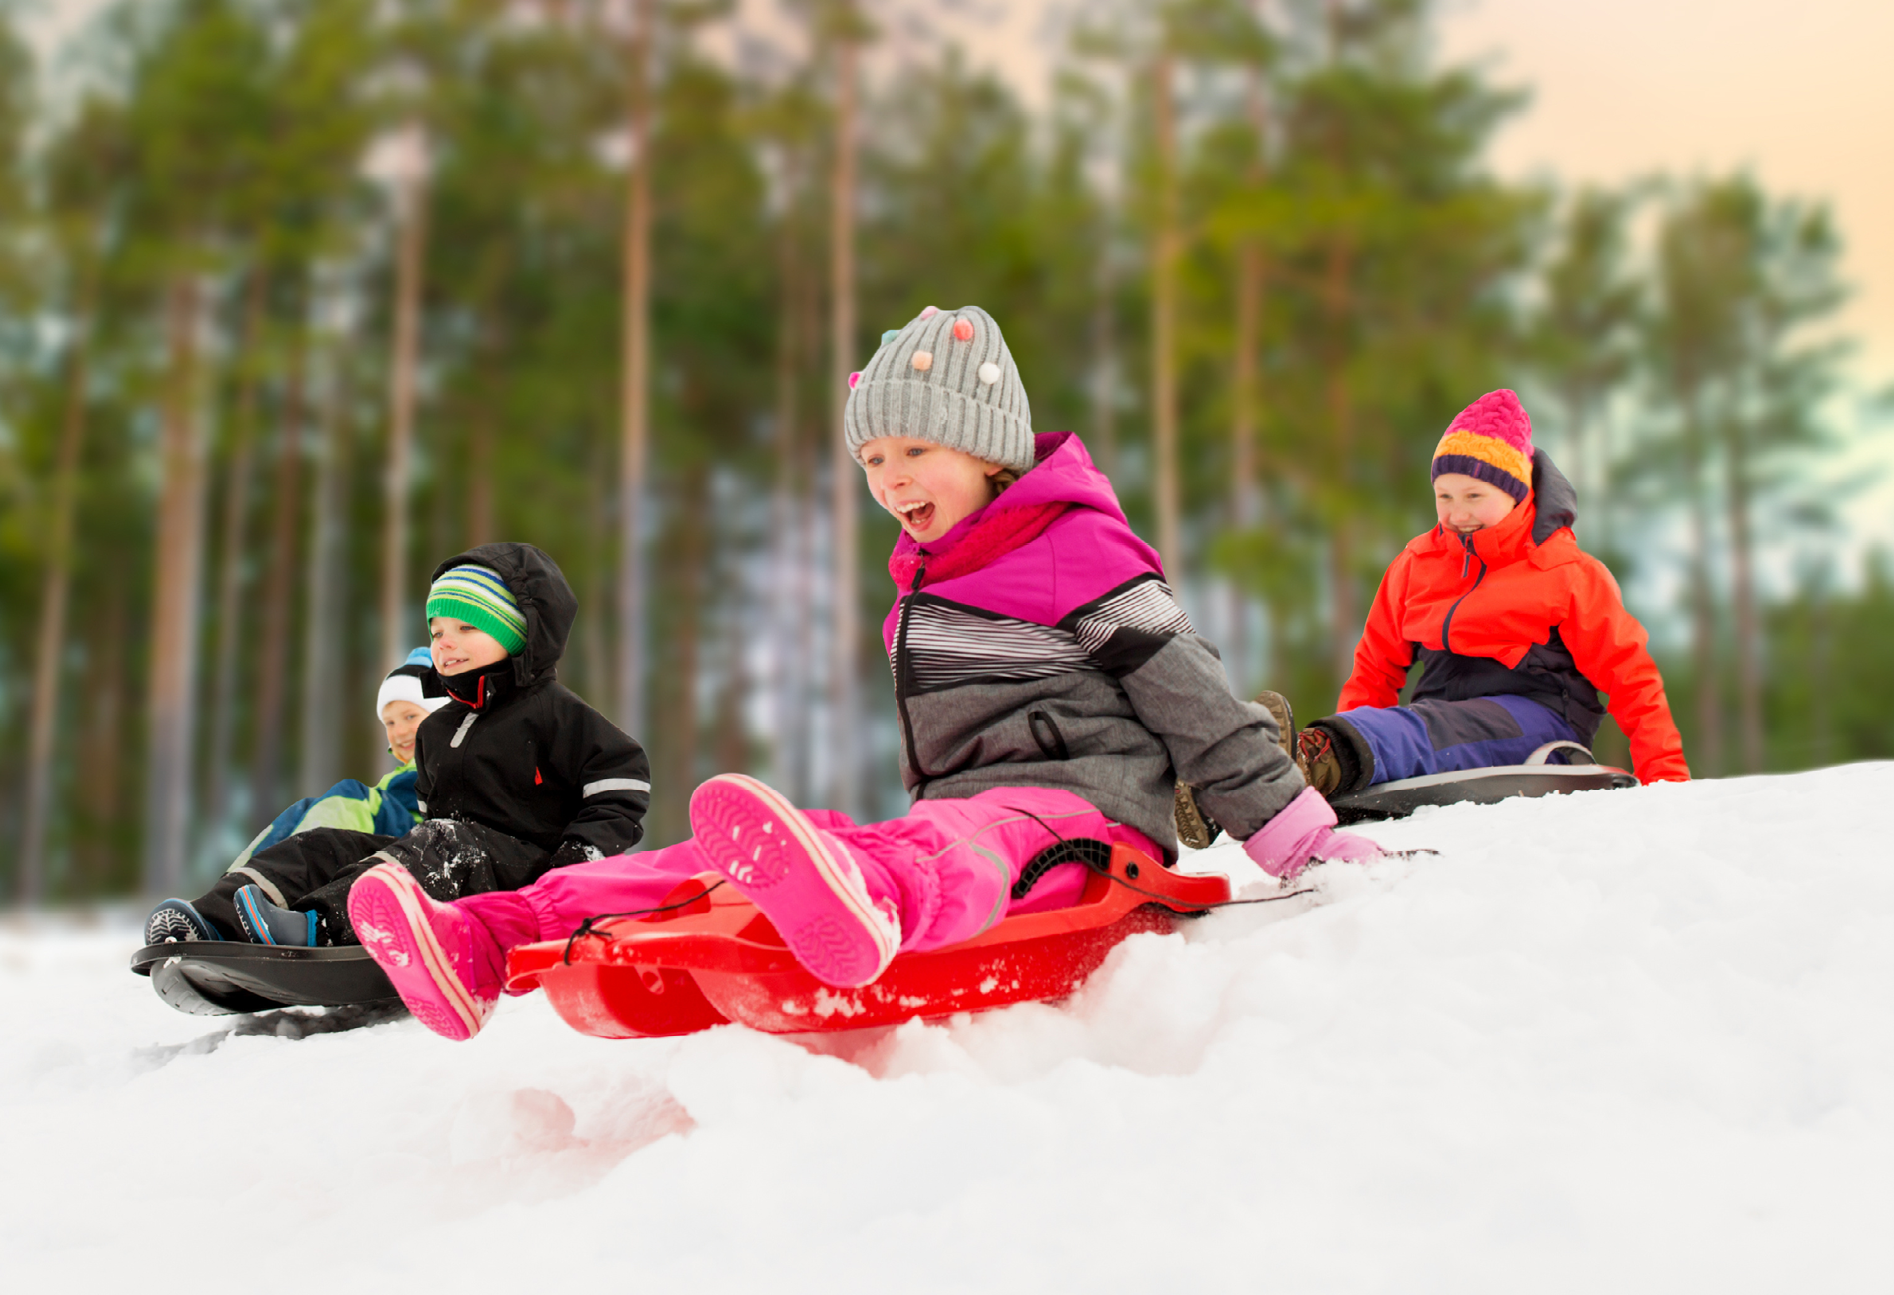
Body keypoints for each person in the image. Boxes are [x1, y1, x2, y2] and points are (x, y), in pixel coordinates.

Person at [347, 304, 1380, 1041]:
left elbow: (1194, 698)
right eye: (871, 461)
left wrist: (1298, 837)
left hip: (1084, 824)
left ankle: (873, 899)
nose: (888, 481)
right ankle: (489, 933)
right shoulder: (930, 580)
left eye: (912, 451)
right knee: (758, 857)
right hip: (960, 827)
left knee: (950, 841)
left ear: (988, 454)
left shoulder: (1084, 550)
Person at [143, 543, 652, 950]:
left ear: (519, 634)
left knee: (443, 842)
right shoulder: (438, 729)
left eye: (467, 627)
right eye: (436, 630)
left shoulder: (554, 712)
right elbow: (427, 816)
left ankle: (323, 928)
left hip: (525, 873)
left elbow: (622, 781)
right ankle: (215, 922)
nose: (444, 641)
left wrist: (576, 861)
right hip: (446, 861)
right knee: (328, 842)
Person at [1286, 388, 1688, 801]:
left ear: (1516, 493)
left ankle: (1316, 759)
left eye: (1474, 497)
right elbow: (1375, 668)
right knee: (1424, 726)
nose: (1457, 515)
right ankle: (1272, 768)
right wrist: (1350, 746)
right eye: (1445, 497)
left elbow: (1630, 676)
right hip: (1436, 723)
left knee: (1431, 730)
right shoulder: (1416, 564)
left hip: (1539, 723)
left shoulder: (1566, 572)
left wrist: (1666, 778)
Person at [224, 649, 445, 871]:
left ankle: (291, 873)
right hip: (390, 834)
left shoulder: (443, 760)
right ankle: (236, 881)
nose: (399, 732)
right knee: (305, 808)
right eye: (390, 723)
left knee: (352, 794)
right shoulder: (391, 782)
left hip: (419, 843)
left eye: (410, 717)